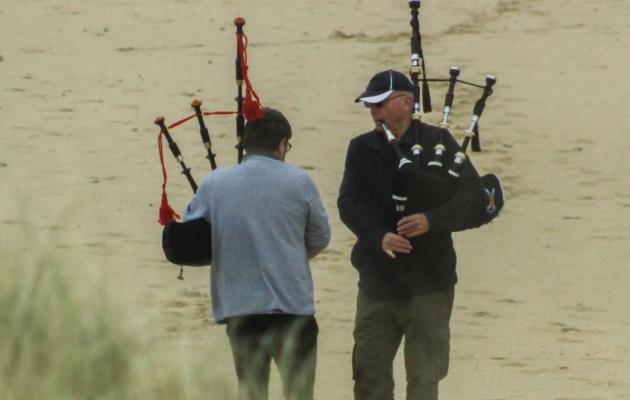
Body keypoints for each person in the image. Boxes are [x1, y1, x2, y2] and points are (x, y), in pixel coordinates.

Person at [337, 70, 487, 400]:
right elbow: (349, 202)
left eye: (380, 103)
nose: (373, 111)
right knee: (368, 376)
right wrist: (378, 237)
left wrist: (431, 220)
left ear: (406, 102)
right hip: (378, 281)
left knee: (424, 379)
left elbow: (474, 197)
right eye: (369, 105)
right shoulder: (361, 148)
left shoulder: (439, 142)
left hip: (430, 282)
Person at [184, 108, 331, 400]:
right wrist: (289, 256)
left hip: (241, 308)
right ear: (281, 144)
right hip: (292, 308)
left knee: (251, 392)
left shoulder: (214, 183)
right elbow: (320, 237)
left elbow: (190, 232)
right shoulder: (299, 181)